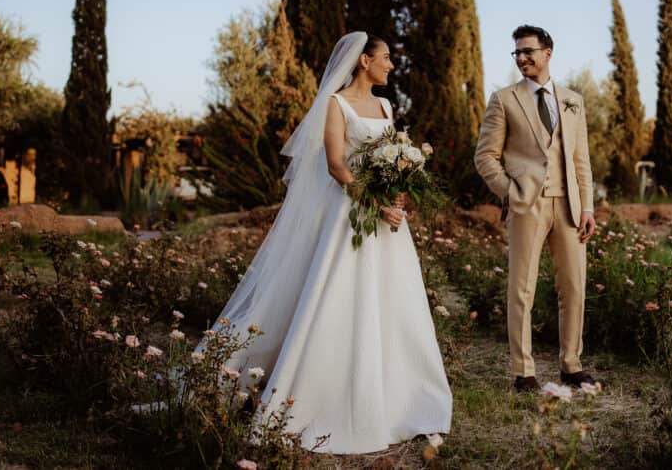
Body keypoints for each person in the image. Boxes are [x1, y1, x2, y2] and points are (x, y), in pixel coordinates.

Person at [203, 31, 452, 453]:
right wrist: (373, 202)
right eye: (386, 57)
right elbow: (337, 166)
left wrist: (398, 188)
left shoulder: (387, 106)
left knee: (394, 300)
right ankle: (320, 396)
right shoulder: (335, 105)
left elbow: (390, 157)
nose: (391, 65)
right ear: (363, 62)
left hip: (386, 219)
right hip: (350, 215)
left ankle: (404, 395)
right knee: (339, 296)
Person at [474, 25, 598, 392]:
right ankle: (523, 372)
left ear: (548, 53)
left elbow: (581, 160)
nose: (522, 58)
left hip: (571, 206)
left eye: (529, 51)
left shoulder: (573, 99)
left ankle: (571, 365)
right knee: (521, 289)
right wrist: (511, 193)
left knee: (574, 287)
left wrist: (588, 206)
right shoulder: (504, 99)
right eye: (517, 53)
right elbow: (485, 157)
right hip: (527, 204)